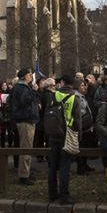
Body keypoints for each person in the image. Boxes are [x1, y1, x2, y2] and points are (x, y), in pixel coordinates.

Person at [47, 75, 81, 205]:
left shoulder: (54, 96)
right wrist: (79, 136)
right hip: (68, 134)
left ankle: (52, 194)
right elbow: (78, 120)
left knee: (52, 166)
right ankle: (64, 195)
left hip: (54, 133)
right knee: (65, 167)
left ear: (62, 83)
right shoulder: (74, 98)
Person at [11, 67, 41, 185]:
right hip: (25, 120)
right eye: (29, 75)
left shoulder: (21, 87)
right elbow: (26, 101)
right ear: (24, 76)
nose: (31, 77)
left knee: (27, 147)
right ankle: (23, 175)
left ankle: (25, 172)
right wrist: (34, 91)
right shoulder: (22, 88)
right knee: (26, 148)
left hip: (26, 119)